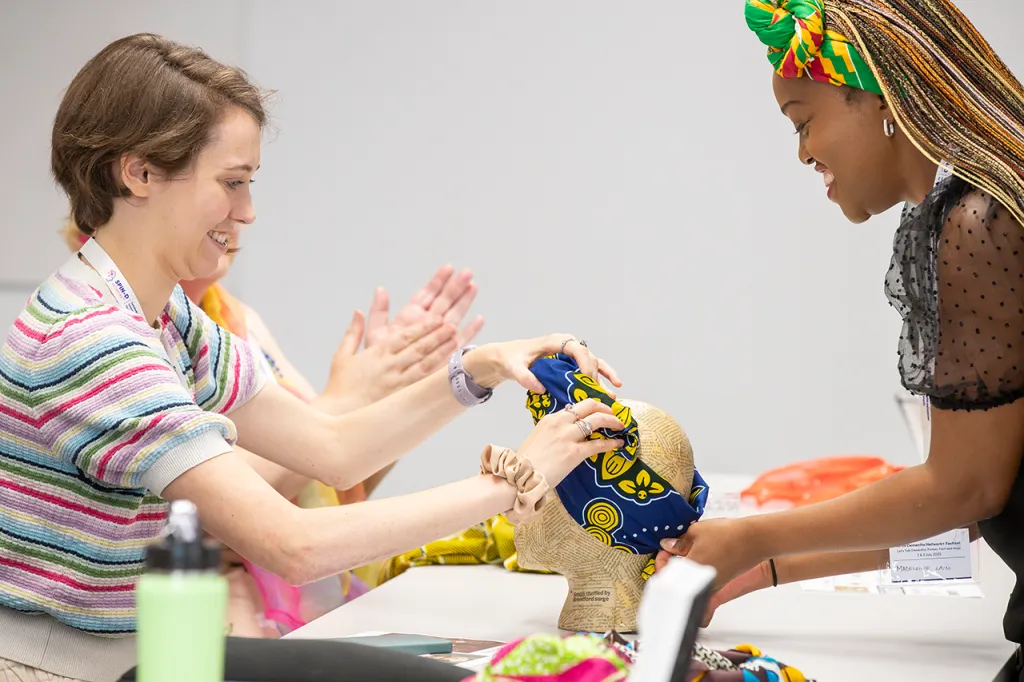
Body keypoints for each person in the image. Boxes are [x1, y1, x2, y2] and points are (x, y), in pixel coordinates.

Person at [0, 32, 625, 682]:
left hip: (137, 657)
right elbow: (292, 545)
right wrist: (516, 478)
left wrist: (480, 369)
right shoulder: (93, 339)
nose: (248, 211)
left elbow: (333, 445)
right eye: (232, 183)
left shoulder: (161, 315)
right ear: (140, 172)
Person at [658, 0, 1024, 677]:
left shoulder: (980, 223)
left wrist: (752, 535)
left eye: (804, 123)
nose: (802, 154)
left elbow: (964, 490)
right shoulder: (978, 208)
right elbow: (969, 502)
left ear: (878, 98)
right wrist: (757, 565)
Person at [60, 220, 485, 637]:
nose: (243, 212)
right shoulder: (103, 332)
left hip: (285, 606)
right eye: (225, 182)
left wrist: (389, 401)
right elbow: (216, 511)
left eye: (245, 183)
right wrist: (345, 401)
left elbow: (327, 474)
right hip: (188, 613)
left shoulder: (237, 323)